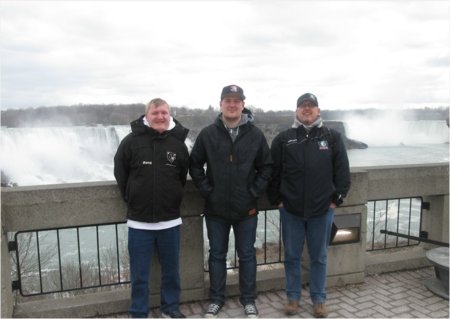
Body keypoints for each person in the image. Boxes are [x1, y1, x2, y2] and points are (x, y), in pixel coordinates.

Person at [189, 85, 272, 318]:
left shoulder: (255, 135)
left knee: (246, 255)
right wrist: (207, 191)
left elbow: (267, 167)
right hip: (216, 209)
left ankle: (248, 300)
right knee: (217, 255)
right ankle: (216, 299)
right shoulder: (207, 134)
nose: (232, 104)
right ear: (221, 104)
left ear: (243, 105)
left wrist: (254, 192)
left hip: (247, 208)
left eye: (237, 100)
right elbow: (195, 165)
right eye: (228, 100)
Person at [267, 93, 351, 318]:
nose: (307, 109)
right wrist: (278, 200)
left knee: (319, 257)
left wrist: (337, 199)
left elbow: (342, 172)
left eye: (311, 106)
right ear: (296, 111)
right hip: (291, 210)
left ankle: (319, 299)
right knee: (292, 257)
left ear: (318, 110)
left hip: (322, 210)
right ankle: (293, 298)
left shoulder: (332, 137)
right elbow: (272, 172)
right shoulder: (284, 138)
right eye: (303, 106)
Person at [114, 98, 189, 318]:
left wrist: (172, 196)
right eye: (155, 113)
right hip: (139, 221)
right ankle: (138, 312)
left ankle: (171, 307)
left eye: (164, 113)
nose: (160, 117)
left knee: (172, 272)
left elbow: (181, 176)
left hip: (170, 220)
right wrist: (131, 196)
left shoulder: (178, 144)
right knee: (139, 274)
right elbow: (120, 171)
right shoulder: (131, 142)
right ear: (146, 116)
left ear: (170, 116)